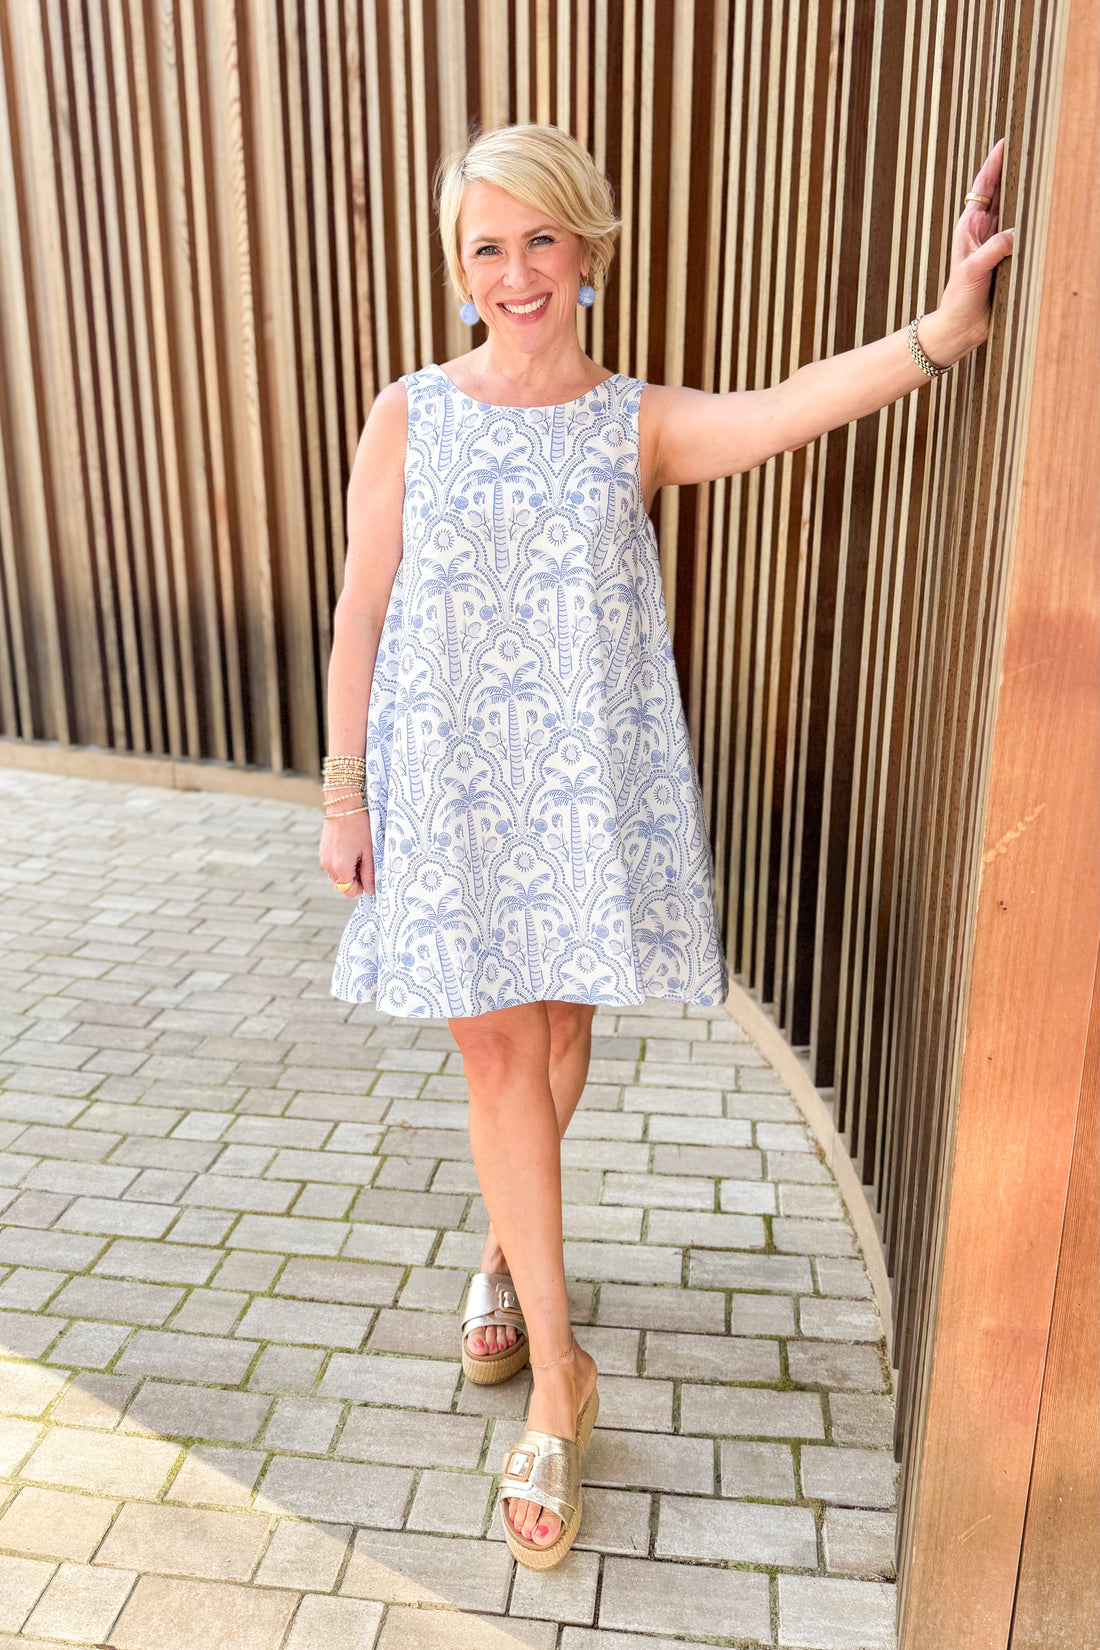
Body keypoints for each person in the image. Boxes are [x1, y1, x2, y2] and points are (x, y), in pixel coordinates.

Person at [319, 122, 1014, 1568]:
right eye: (485, 248)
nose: (515, 272)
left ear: (586, 251)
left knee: (559, 1038)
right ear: (459, 272)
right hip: (445, 789)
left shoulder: (634, 420)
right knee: (496, 1053)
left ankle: (509, 1243)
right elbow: (359, 614)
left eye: (539, 241)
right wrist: (344, 792)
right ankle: (562, 1385)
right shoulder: (411, 415)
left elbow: (794, 404)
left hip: (574, 793)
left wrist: (940, 333)